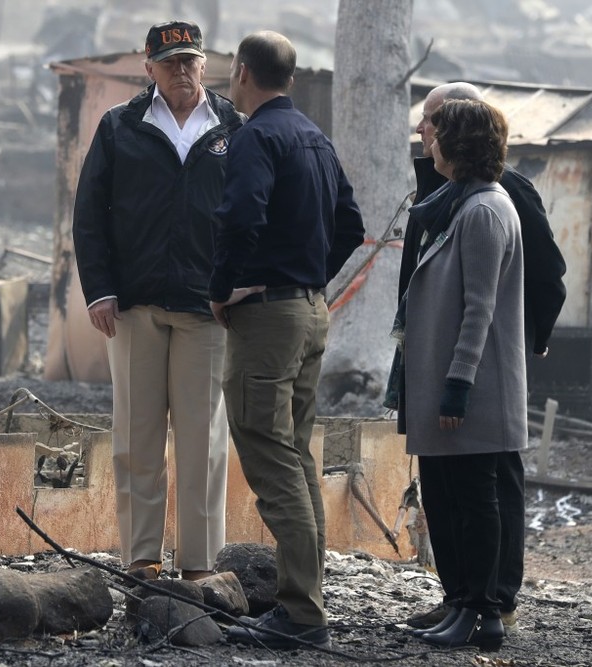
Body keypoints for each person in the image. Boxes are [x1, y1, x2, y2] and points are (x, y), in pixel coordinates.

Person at [208, 30, 365, 651]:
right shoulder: (314, 138)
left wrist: (226, 288)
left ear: (242, 72)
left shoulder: (255, 137)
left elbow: (241, 216)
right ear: (291, 80)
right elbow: (351, 224)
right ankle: (308, 599)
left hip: (269, 317)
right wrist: (308, 276)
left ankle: (302, 614)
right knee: (297, 457)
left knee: (272, 460)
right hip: (311, 312)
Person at [71, 20, 244, 583]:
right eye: (169, 63)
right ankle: (141, 560)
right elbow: (90, 215)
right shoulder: (120, 126)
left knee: (203, 443)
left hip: (208, 310)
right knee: (136, 438)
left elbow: (251, 216)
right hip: (136, 306)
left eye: (190, 61)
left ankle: (200, 567)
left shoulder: (233, 129)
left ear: (206, 66)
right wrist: (99, 289)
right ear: (149, 70)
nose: (181, 72)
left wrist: (239, 286)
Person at [397, 82, 566, 635]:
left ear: (459, 134)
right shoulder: (442, 194)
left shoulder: (493, 202)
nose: (424, 133)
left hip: (476, 371)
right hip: (441, 363)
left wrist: (521, 345)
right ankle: (461, 599)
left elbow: (506, 292)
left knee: (484, 490)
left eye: (434, 123)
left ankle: (489, 603)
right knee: (448, 490)